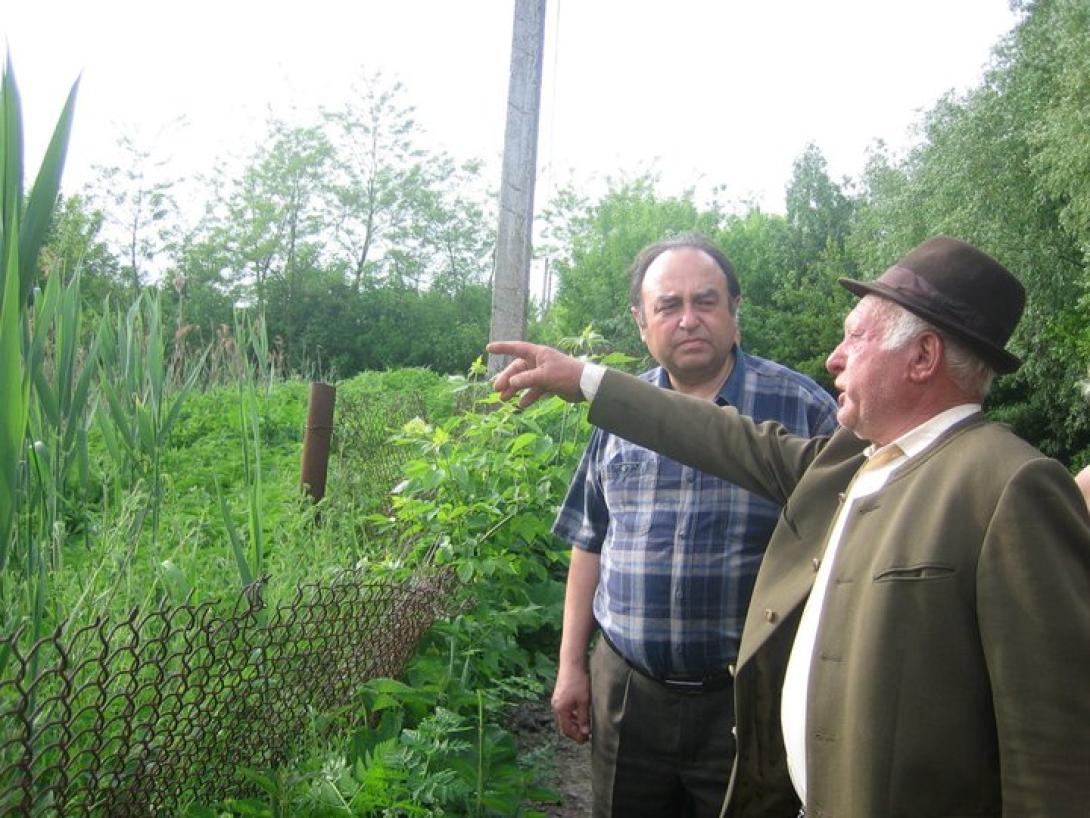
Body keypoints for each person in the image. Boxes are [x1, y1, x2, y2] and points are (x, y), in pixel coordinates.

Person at [489, 235, 1090, 817]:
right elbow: (721, 436)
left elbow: (1051, 748)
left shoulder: (1008, 485)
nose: (835, 356)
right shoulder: (858, 457)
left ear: (924, 356)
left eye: (856, 336)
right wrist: (585, 381)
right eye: (668, 305)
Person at [551, 234, 838, 818]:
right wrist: (570, 667)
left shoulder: (802, 410)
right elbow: (590, 541)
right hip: (628, 691)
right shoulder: (617, 415)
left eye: (705, 301)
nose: (688, 320)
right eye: (668, 305)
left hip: (747, 700)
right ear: (640, 321)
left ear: (735, 311)